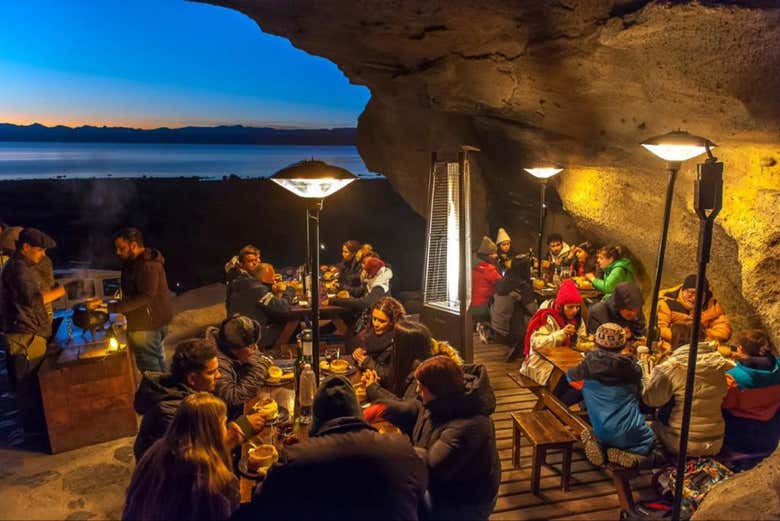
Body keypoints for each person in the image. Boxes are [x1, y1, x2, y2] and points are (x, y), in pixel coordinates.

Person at [237, 376, 428, 521]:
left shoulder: (296, 458)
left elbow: (263, 502)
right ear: (358, 414)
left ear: (317, 419)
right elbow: (420, 490)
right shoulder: (401, 448)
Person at [380, 356, 500, 521]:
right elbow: (413, 408)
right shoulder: (443, 399)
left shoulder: (469, 424)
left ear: (438, 389)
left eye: (421, 388)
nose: (417, 391)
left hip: (467, 501)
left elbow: (431, 466)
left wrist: (389, 446)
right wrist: (380, 408)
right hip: (447, 485)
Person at [133, 337, 264, 460]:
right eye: (211, 372)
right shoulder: (172, 413)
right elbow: (200, 459)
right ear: (192, 379)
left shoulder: (189, 393)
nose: (218, 376)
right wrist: (241, 428)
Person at [123, 392, 240, 521]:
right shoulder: (215, 480)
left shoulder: (158, 449)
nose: (226, 429)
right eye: (224, 423)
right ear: (213, 431)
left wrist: (223, 448)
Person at [0, 228, 65, 436]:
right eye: (39, 250)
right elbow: (32, 301)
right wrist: (61, 291)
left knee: (33, 386)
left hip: (31, 333)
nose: (42, 254)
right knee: (28, 387)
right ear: (25, 247)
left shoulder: (25, 266)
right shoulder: (18, 268)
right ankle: (35, 434)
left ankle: (37, 430)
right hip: (24, 337)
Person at [567, 323, 656, 468]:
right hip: (630, 432)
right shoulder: (632, 369)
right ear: (623, 345)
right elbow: (643, 396)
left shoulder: (585, 367)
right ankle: (635, 457)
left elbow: (570, 376)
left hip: (600, 427)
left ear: (596, 343)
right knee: (652, 440)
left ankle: (602, 444)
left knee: (608, 428)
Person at [642, 321, 731, 457]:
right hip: (716, 440)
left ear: (676, 339)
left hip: (681, 441)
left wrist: (648, 377)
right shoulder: (719, 363)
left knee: (646, 424)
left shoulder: (671, 367)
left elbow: (651, 400)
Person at [110, 227, 173, 373]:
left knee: (151, 370)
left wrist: (114, 308)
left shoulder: (147, 265)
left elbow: (146, 296)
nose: (117, 252)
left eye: (121, 248)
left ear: (133, 245)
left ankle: (159, 393)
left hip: (147, 325)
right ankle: (167, 391)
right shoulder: (136, 263)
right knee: (158, 361)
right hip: (150, 322)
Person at [363, 320, 463, 403]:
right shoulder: (409, 362)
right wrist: (375, 381)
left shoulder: (422, 373)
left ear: (406, 347)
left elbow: (406, 408)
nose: (392, 343)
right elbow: (393, 378)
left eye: (395, 341)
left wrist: (373, 388)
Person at [520, 279, 586, 404]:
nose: (575, 311)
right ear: (561, 306)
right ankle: (553, 412)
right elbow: (536, 343)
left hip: (565, 364)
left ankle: (552, 410)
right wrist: (561, 334)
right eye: (570, 307)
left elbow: (581, 341)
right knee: (581, 386)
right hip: (541, 364)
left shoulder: (577, 320)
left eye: (577, 306)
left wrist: (586, 344)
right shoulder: (546, 317)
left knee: (585, 382)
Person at [722, 330, 780, 456]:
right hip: (772, 434)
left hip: (744, 439)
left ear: (741, 349)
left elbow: (724, 405)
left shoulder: (734, 378)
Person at [210, 315, 273, 420]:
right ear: (235, 350)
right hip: (222, 419)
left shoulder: (229, 340)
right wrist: (262, 365)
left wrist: (258, 361)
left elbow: (257, 356)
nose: (256, 348)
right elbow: (234, 398)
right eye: (250, 346)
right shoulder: (216, 361)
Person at [656, 274, 731, 353]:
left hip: (701, 348)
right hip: (671, 348)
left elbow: (724, 332)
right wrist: (688, 336)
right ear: (683, 290)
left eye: (699, 295)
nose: (694, 298)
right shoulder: (667, 302)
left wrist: (701, 334)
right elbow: (660, 330)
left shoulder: (711, 305)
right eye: (691, 293)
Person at [226, 262, 294, 349]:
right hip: (251, 336)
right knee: (289, 324)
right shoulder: (258, 289)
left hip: (235, 333)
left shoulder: (241, 284)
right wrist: (289, 289)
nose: (274, 280)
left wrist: (275, 292)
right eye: (272, 277)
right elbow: (283, 308)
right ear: (264, 278)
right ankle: (277, 353)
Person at [349, 296, 405, 383]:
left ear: (393, 322)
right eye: (374, 319)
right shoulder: (373, 333)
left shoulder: (399, 341)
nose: (376, 324)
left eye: (382, 321)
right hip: (368, 377)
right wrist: (359, 353)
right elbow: (369, 351)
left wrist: (366, 362)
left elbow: (391, 376)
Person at [488, 254, 537, 351]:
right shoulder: (522, 286)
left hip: (496, 325)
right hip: (510, 331)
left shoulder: (502, 279)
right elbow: (533, 311)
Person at [327, 255, 392, 313]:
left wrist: (333, 301)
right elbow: (358, 291)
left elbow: (363, 303)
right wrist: (340, 286)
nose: (363, 273)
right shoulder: (372, 281)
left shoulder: (380, 287)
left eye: (365, 271)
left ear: (371, 274)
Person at [471, 236, 502, 325]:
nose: (496, 255)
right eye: (493, 253)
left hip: (471, 304)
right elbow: (501, 284)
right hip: (484, 305)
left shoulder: (473, 263)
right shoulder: (488, 268)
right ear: (487, 255)